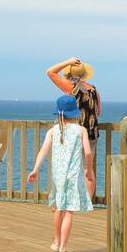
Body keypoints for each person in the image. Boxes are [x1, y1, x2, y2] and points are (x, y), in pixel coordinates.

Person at [27, 95, 94, 252]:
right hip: (72, 176)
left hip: (57, 176)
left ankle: (56, 242)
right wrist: (89, 169)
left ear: (58, 114)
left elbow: (43, 151)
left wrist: (35, 169)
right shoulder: (81, 131)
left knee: (58, 208)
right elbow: (87, 152)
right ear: (75, 113)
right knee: (69, 211)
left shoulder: (52, 131)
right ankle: (63, 249)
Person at [45, 57, 100, 196]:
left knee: (66, 166)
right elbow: (98, 111)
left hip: (73, 133)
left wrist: (68, 61)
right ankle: (87, 201)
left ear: (68, 74)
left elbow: (50, 72)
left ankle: (62, 200)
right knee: (88, 168)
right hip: (91, 133)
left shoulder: (71, 87)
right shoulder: (93, 89)